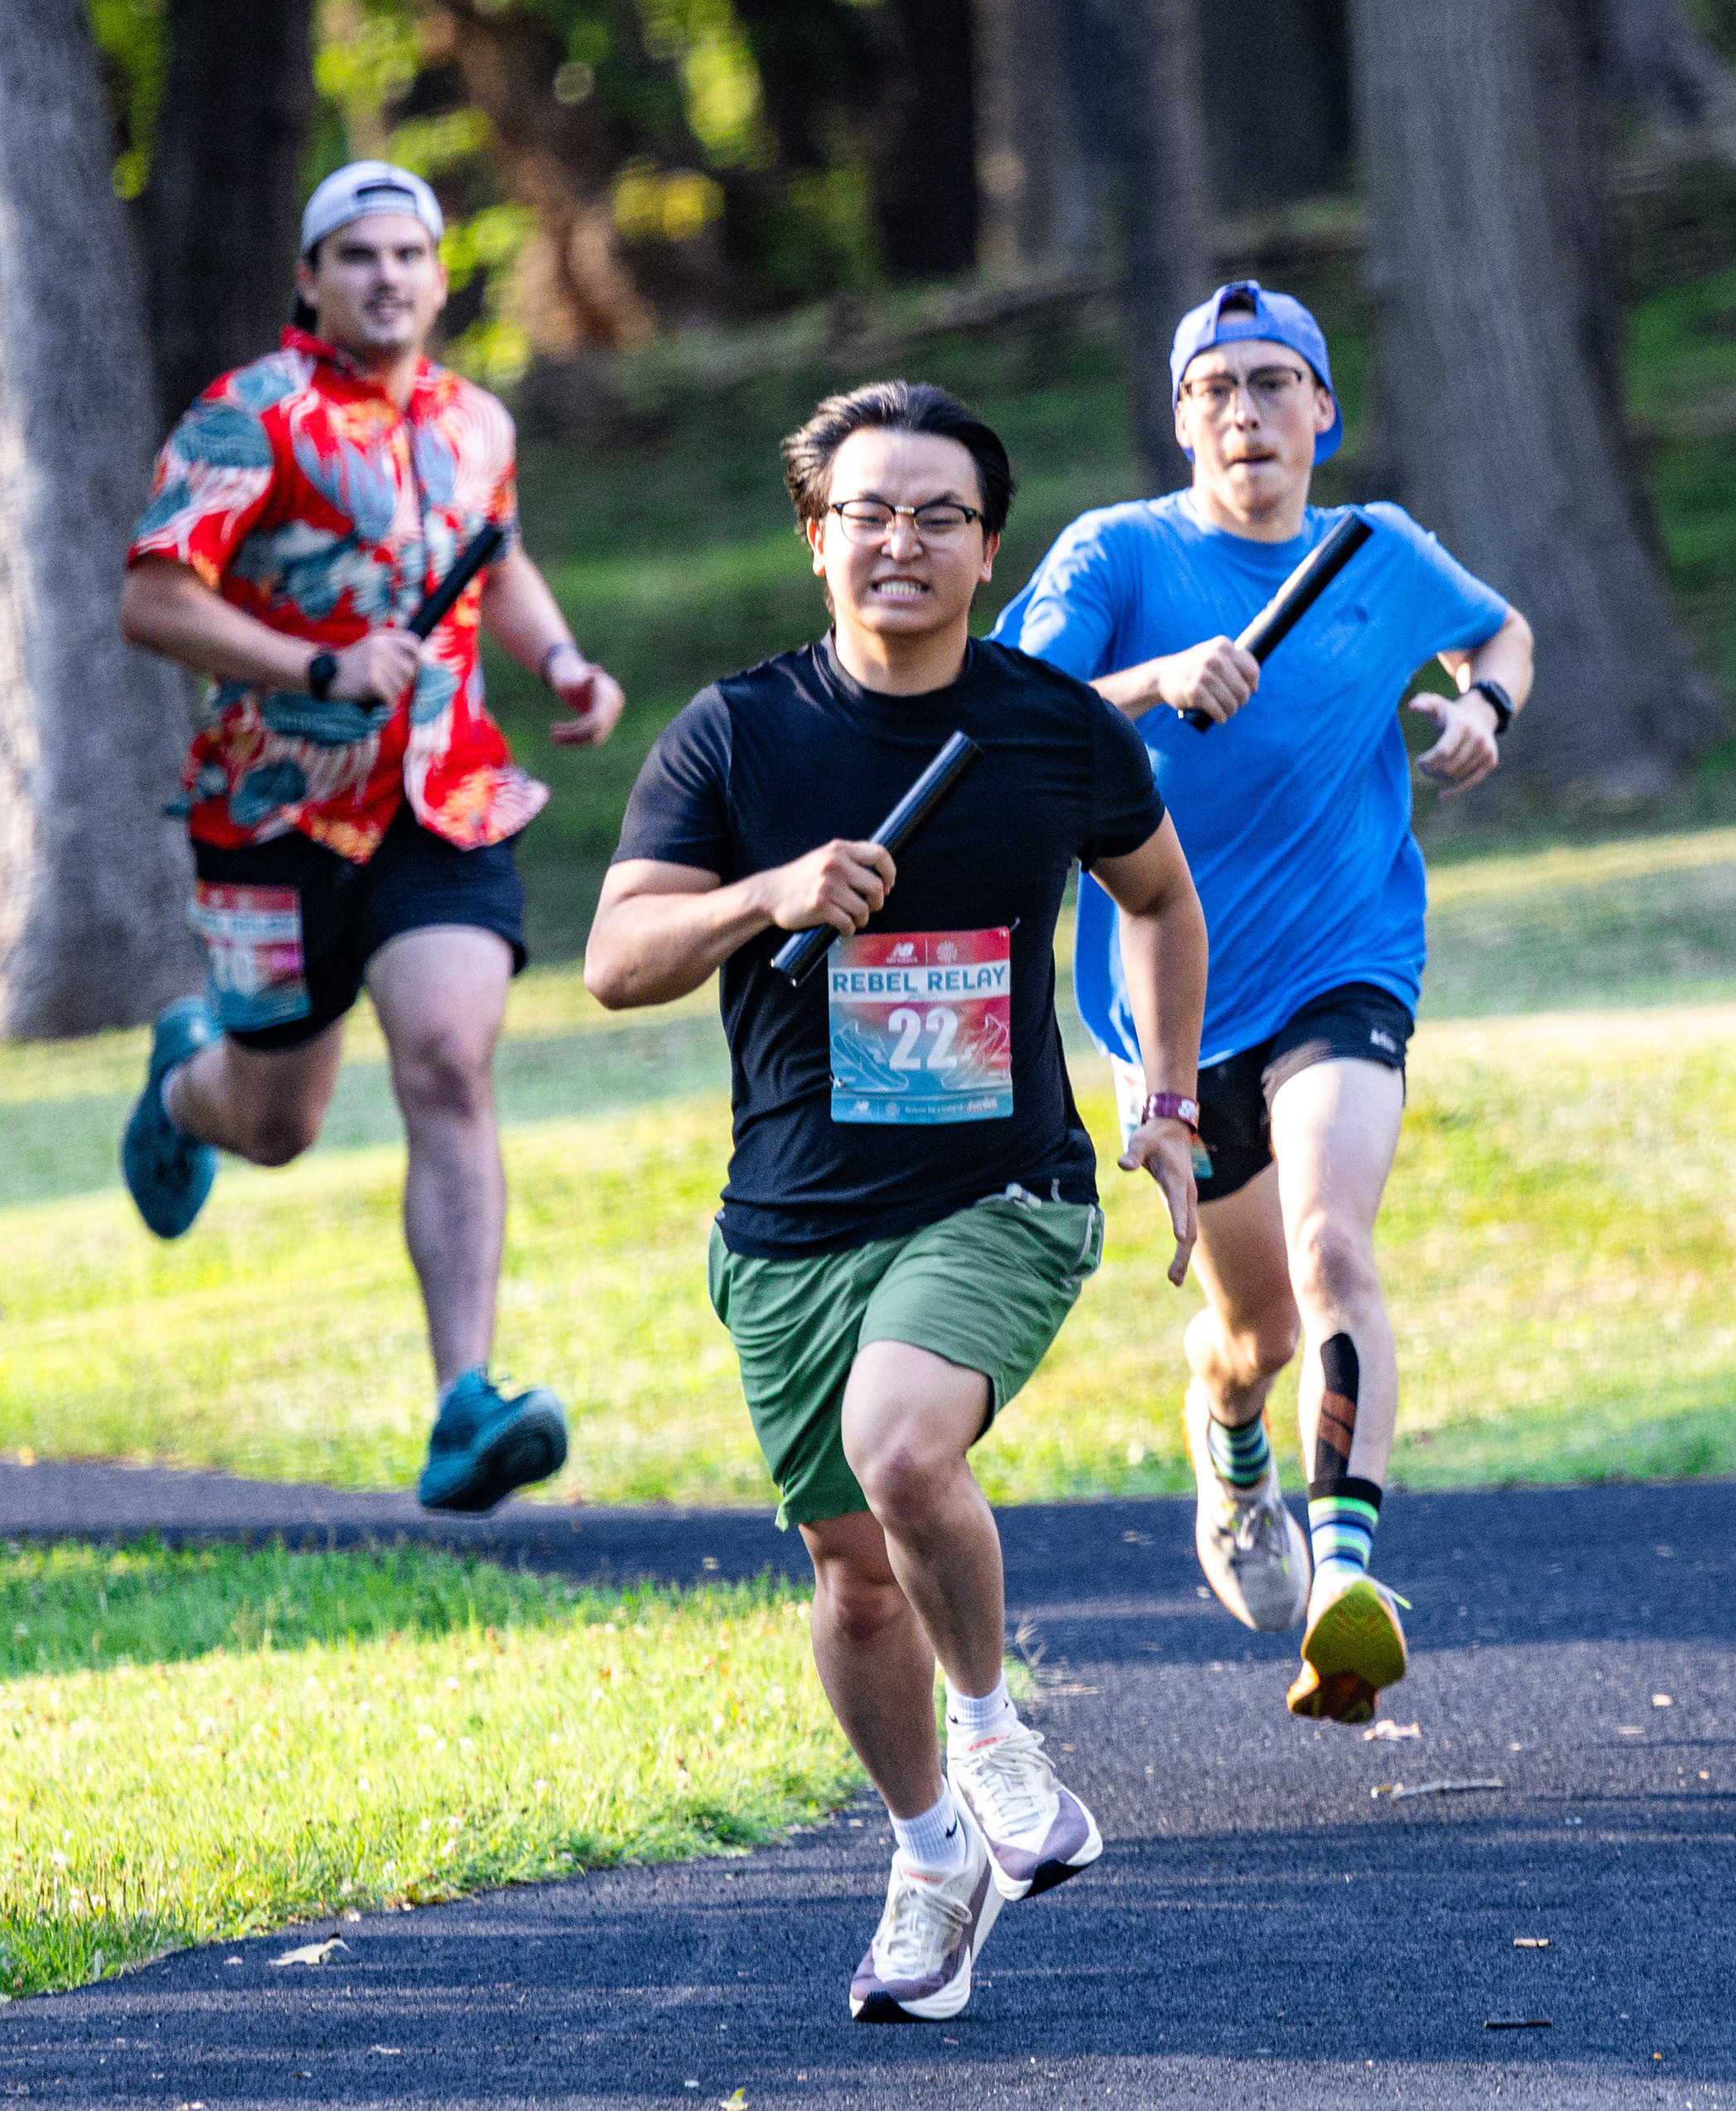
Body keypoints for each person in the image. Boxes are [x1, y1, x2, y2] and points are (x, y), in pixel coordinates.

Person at [586, 380, 1206, 2023]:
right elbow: (615, 960)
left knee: (906, 1446)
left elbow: (1161, 900)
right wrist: (770, 894)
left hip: (1000, 1190)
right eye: (869, 511)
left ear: (990, 549)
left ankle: (996, 1740)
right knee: (857, 1576)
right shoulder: (735, 734)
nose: (903, 540)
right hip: (790, 1222)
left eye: (941, 515)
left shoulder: (1055, 727)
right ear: (817, 538)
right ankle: (932, 1856)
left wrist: (1164, 1099)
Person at [992, 280, 1536, 1724]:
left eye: (1273, 382)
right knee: (1259, 1332)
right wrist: (1159, 678)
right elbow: (1013, 709)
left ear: (1323, 410)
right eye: (1215, 388)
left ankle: (1347, 1574)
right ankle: (1230, 1438)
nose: (1245, 411)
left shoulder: (1375, 550)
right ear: (1181, 419)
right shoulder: (1117, 554)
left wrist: (1483, 706)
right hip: (1171, 1003)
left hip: (1346, 965)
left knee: (1332, 1243)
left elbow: (1501, 631)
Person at [115, 162, 627, 1516]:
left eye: (409, 255)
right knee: (277, 1124)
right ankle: (187, 1088)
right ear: (311, 278)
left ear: (442, 277)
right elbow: (155, 600)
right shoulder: (250, 417)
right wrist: (315, 665)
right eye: (358, 256)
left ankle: (465, 1402)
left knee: (449, 1063)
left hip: (441, 800)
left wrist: (562, 662)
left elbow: (494, 559)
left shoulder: (476, 422)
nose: (387, 278)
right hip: (274, 811)